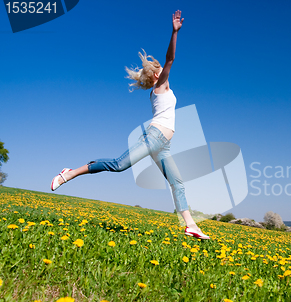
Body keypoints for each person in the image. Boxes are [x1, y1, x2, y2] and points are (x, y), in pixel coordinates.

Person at [50, 10, 210, 240]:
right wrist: (174, 33)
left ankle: (191, 225)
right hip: (154, 137)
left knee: (178, 183)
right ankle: (70, 173)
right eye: (160, 71)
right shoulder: (160, 86)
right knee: (118, 165)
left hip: (163, 145)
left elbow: (168, 64)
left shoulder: (164, 88)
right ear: (156, 75)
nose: (164, 72)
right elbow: (171, 59)